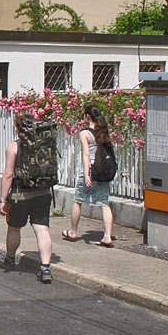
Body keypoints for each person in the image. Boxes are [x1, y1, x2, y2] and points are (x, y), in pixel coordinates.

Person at [0, 112, 54, 284]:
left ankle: (10, 258)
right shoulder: (44, 145)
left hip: (20, 195)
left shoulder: (14, 147)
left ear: (17, 128)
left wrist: (3, 200)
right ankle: (45, 268)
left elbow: (8, 174)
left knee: (14, 227)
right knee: (42, 229)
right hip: (43, 192)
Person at [62, 105, 114, 247]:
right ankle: (107, 236)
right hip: (102, 172)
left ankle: (73, 231)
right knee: (104, 203)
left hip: (91, 171)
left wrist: (86, 174)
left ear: (87, 116)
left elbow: (86, 154)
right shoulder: (103, 131)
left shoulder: (85, 133)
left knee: (78, 200)